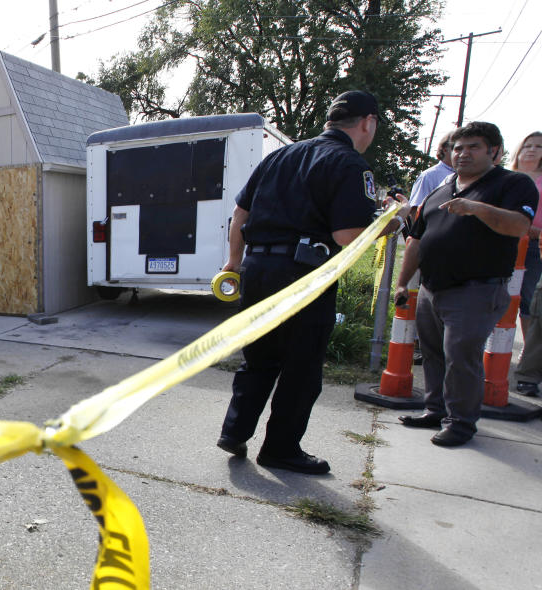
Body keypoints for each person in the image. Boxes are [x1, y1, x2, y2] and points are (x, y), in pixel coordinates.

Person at [215, 90, 411, 475]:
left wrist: (234, 262)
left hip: (257, 269)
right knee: (300, 367)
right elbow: (347, 235)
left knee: (258, 359)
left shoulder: (279, 156)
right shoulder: (350, 164)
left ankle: (234, 431)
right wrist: (392, 222)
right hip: (304, 273)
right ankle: (281, 450)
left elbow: (239, 214)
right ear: (368, 123)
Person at [396, 122, 537, 446]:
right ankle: (435, 409)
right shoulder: (441, 189)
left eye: (473, 147)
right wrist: (404, 283)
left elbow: (518, 226)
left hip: (476, 289)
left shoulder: (511, 184)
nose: (463, 153)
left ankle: (461, 423)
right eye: (458, 147)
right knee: (433, 353)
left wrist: (476, 208)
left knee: (461, 355)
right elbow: (416, 240)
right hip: (433, 288)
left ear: (495, 152)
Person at [509, 132, 542, 396]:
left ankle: (528, 359)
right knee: (500, 300)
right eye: (527, 145)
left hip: (534, 248)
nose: (531, 150)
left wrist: (536, 232)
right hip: (504, 243)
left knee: (530, 304)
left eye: (538, 147)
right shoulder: (507, 178)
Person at [409, 132, 454, 214]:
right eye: (458, 148)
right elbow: (415, 210)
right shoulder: (429, 175)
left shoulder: (466, 175)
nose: (463, 152)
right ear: (445, 149)